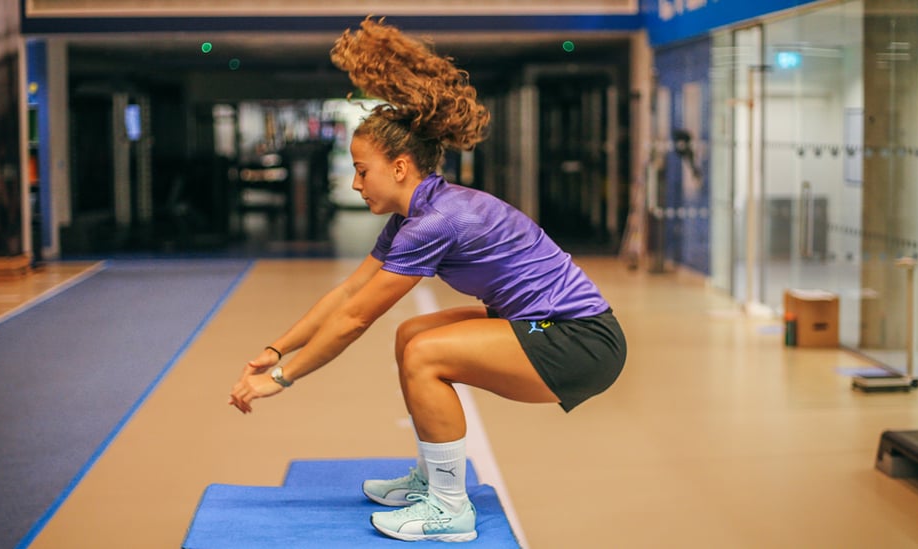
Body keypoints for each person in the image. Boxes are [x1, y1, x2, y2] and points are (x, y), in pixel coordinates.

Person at [228, 17, 627, 543]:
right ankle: (432, 477)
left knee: (426, 354)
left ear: (398, 168)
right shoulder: (417, 215)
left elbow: (353, 319)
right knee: (412, 336)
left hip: (577, 339)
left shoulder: (436, 222)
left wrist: (280, 380)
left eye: (361, 169)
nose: (355, 182)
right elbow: (348, 292)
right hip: (542, 324)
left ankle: (448, 509)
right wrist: (275, 350)